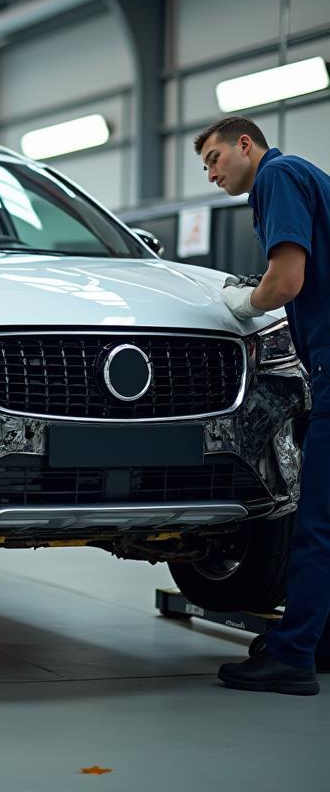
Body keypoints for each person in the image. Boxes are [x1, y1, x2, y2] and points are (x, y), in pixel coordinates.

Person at [196, 115, 330, 696]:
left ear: (245, 144)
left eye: (213, 159)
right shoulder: (308, 178)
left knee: (316, 526)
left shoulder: (277, 177)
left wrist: (242, 305)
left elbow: (286, 281)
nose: (210, 174)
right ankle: (318, 641)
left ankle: (294, 654)